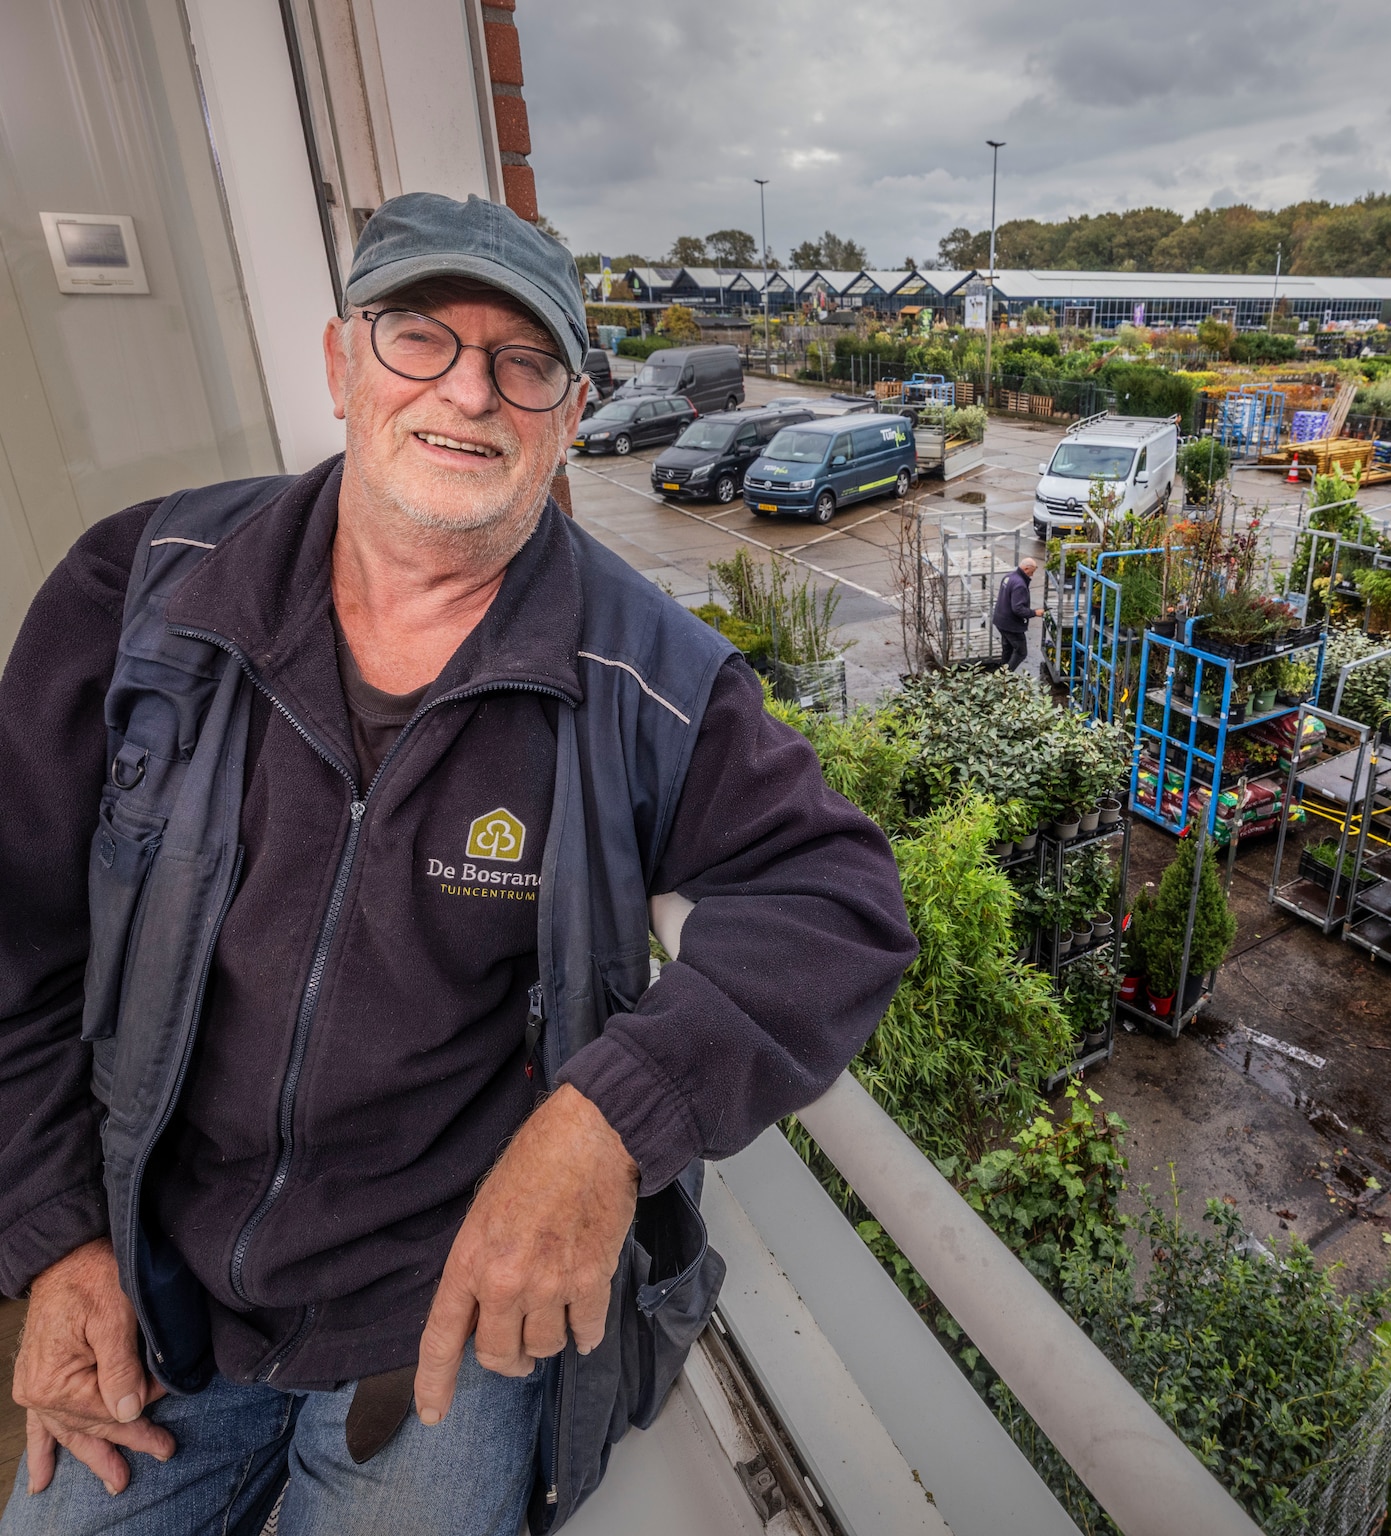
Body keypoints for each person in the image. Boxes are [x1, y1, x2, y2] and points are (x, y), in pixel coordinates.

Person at [0, 193, 917, 1534]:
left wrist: (607, 1120)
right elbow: (15, 944)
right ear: (340, 362)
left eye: (524, 363)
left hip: (439, 1318)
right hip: (157, 1274)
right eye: (420, 337)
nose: (469, 394)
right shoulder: (142, 593)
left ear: (570, 414)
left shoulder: (644, 674)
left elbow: (839, 902)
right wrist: (56, 1242)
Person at [994, 555, 1042, 671]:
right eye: (1031, 573)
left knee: (1008, 648)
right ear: (1026, 569)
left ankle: (1002, 675)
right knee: (1021, 652)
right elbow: (1018, 609)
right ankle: (1007, 676)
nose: (1032, 575)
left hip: (1000, 620)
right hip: (1011, 625)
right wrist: (1034, 612)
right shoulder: (1020, 584)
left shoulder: (1008, 577)